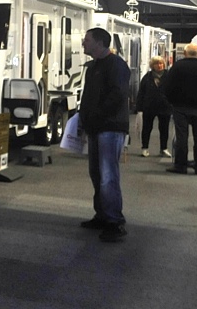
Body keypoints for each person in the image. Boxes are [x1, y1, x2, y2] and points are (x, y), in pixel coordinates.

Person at [78, 27, 130, 242]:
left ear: (99, 43)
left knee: (108, 176)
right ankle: (102, 215)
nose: (83, 43)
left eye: (87, 40)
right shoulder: (94, 67)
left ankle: (114, 222)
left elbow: (117, 95)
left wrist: (96, 115)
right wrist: (84, 120)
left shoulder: (116, 65)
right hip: (97, 127)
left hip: (110, 127)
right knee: (97, 174)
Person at [161, 43, 197, 175]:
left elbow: (167, 86)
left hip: (180, 106)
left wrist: (171, 102)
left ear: (185, 53)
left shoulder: (177, 66)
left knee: (182, 137)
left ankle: (180, 165)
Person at [135, 56, 172, 157]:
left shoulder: (169, 76)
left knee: (164, 128)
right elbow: (141, 93)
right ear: (152, 66)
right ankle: (145, 147)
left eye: (161, 63)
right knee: (147, 127)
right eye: (157, 64)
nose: (159, 65)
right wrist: (139, 108)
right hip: (149, 106)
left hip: (165, 106)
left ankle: (164, 148)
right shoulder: (147, 77)